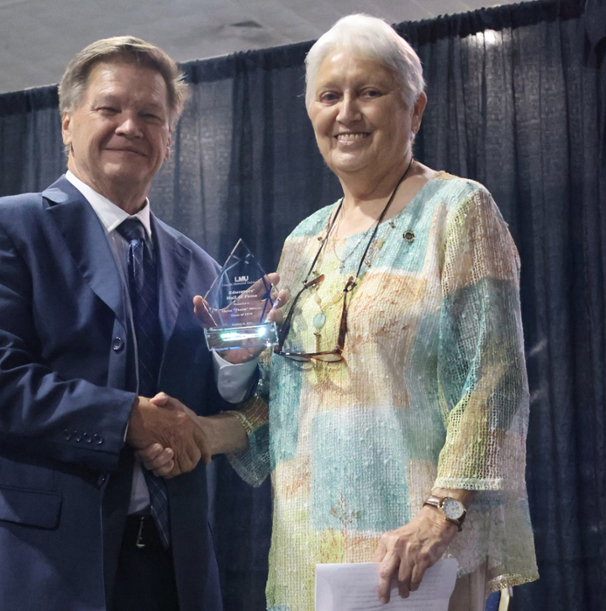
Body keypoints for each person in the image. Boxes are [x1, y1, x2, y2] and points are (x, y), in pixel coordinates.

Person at [145, 14, 539, 611]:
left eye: (370, 92)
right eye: (330, 96)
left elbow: (494, 382)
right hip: (308, 553)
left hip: (417, 555)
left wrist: (443, 513)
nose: (346, 113)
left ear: (416, 109)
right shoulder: (304, 240)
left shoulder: (457, 211)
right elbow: (281, 406)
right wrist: (204, 431)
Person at [0, 36, 229, 611]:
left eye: (150, 115)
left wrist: (242, 364)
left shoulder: (202, 268)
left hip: (175, 576)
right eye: (109, 109)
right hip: (37, 570)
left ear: (169, 137)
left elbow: (210, 413)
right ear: (67, 125)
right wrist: (125, 421)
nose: (130, 126)